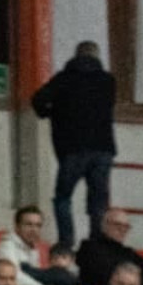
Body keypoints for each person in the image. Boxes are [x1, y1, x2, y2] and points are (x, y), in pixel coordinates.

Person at [30, 40, 117, 251]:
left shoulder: (63, 79)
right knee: (98, 200)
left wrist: (51, 112)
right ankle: (97, 242)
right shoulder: (108, 81)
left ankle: (66, 241)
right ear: (97, 56)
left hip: (72, 149)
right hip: (103, 147)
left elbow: (38, 99)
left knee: (63, 197)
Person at [0, 206, 74, 285]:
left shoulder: (31, 249)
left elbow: (34, 283)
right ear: (17, 227)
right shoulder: (8, 245)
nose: (34, 229)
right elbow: (15, 278)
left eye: (38, 225)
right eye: (29, 225)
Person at [74, 208, 143, 285]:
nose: (122, 229)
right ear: (105, 225)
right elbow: (103, 274)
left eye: (126, 227)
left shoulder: (127, 252)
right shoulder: (90, 247)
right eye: (117, 225)